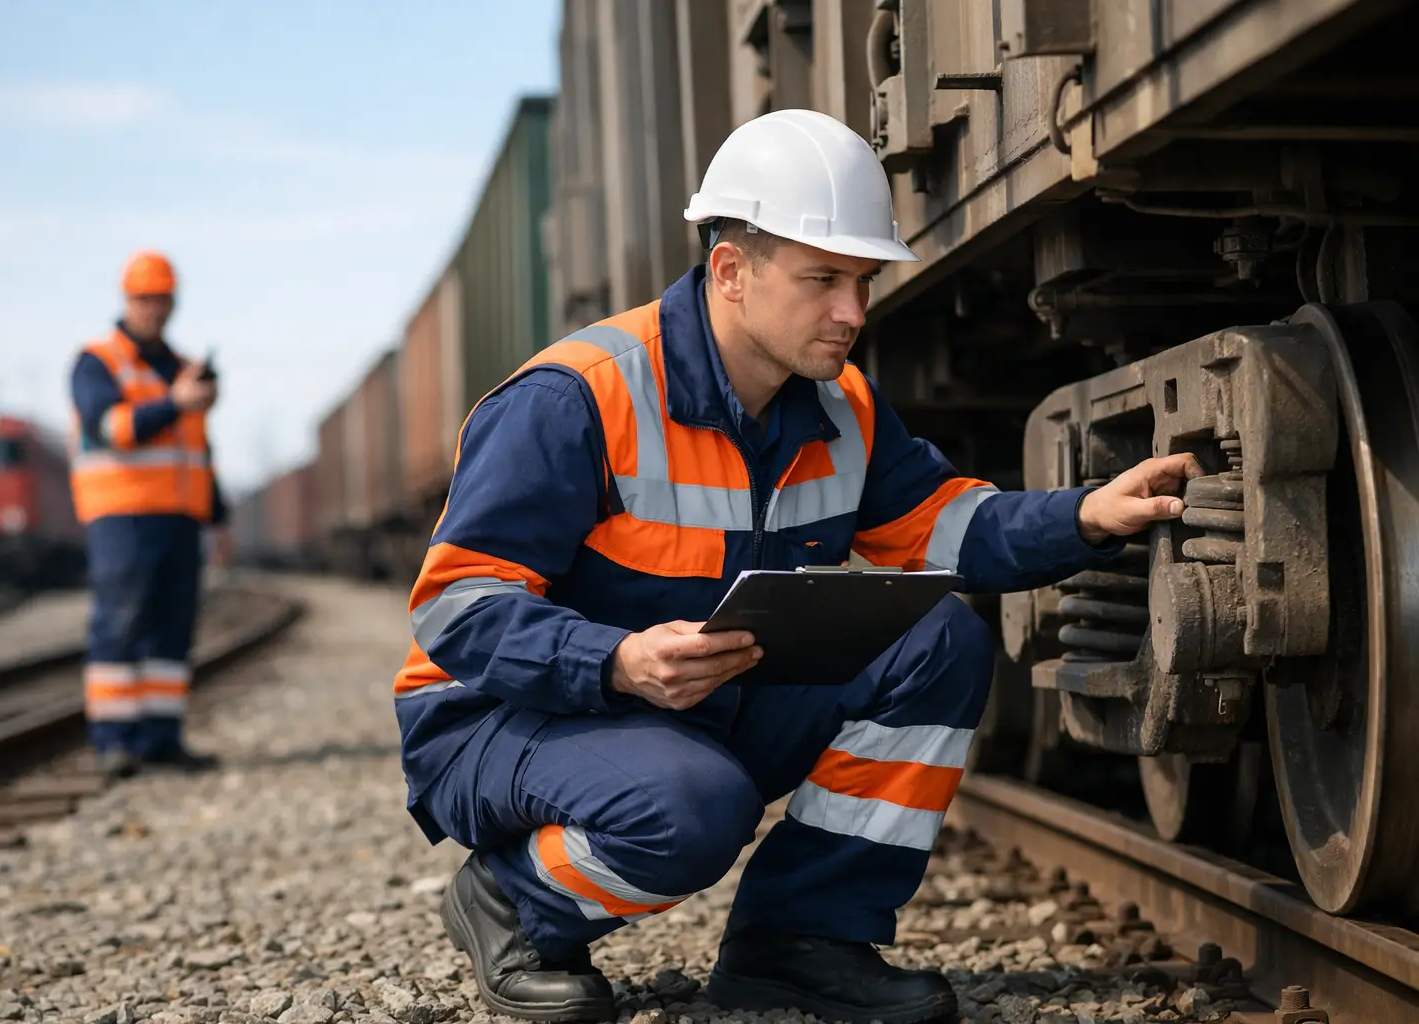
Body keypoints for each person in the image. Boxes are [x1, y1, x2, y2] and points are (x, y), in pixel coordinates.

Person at [394, 109, 1200, 1024]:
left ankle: (798, 942)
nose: (853, 312)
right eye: (824, 280)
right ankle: (513, 903)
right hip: (499, 716)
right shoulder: (579, 396)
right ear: (732, 272)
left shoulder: (840, 407)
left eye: (861, 280)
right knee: (695, 809)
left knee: (936, 640)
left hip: (694, 696)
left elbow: (950, 532)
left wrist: (1089, 515)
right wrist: (614, 662)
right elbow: (455, 610)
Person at [69, 250, 229, 777]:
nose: (155, 309)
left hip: (181, 517)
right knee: (120, 625)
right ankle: (114, 741)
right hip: (123, 515)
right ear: (128, 299)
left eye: (162, 299)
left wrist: (216, 510)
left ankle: (161, 739)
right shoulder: (98, 361)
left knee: (171, 630)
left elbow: (197, 451)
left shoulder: (182, 369)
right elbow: (110, 428)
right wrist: (176, 403)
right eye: (145, 299)